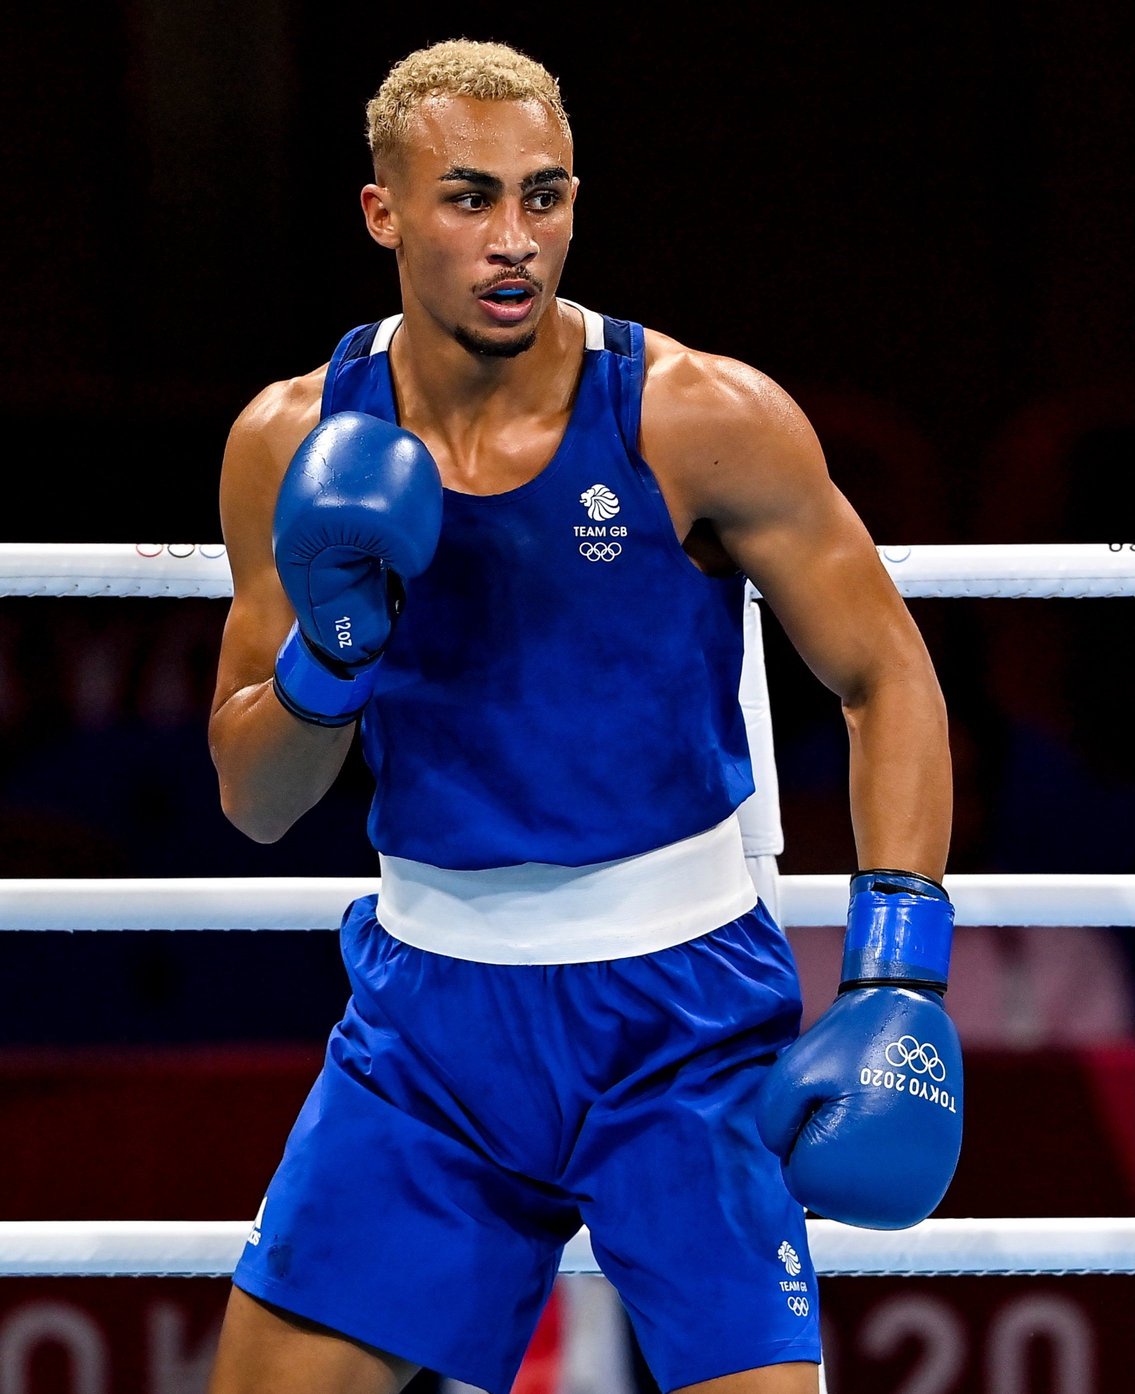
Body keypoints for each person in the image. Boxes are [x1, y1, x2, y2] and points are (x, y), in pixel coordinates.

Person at [205, 36, 959, 1394]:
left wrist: (896, 973)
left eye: (543, 196)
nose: (515, 239)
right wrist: (331, 652)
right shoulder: (290, 440)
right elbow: (256, 800)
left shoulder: (697, 417)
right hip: (428, 1028)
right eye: (469, 197)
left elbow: (886, 673)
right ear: (383, 211)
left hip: (684, 1021)